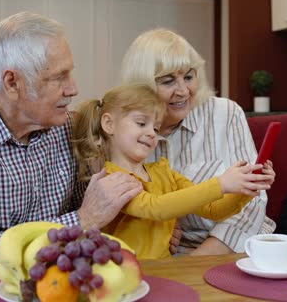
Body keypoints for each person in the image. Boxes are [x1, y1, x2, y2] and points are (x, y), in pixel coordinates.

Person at [0, 12, 143, 272]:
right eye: (59, 77)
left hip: (51, 274)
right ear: (12, 83)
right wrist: (82, 220)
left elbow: (95, 204)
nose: (73, 89)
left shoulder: (66, 125)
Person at [121, 28, 277, 256]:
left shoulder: (226, 113)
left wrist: (194, 263)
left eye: (188, 77)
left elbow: (251, 207)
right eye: (168, 81)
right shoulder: (129, 133)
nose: (183, 91)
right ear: (142, 86)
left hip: (237, 246)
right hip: (168, 256)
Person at [72, 84, 273, 259]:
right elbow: (156, 208)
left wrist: (246, 188)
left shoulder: (164, 172)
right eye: (141, 123)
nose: (151, 133)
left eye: (156, 128)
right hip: (124, 275)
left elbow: (213, 210)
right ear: (109, 124)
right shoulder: (110, 180)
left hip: (163, 270)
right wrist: (221, 183)